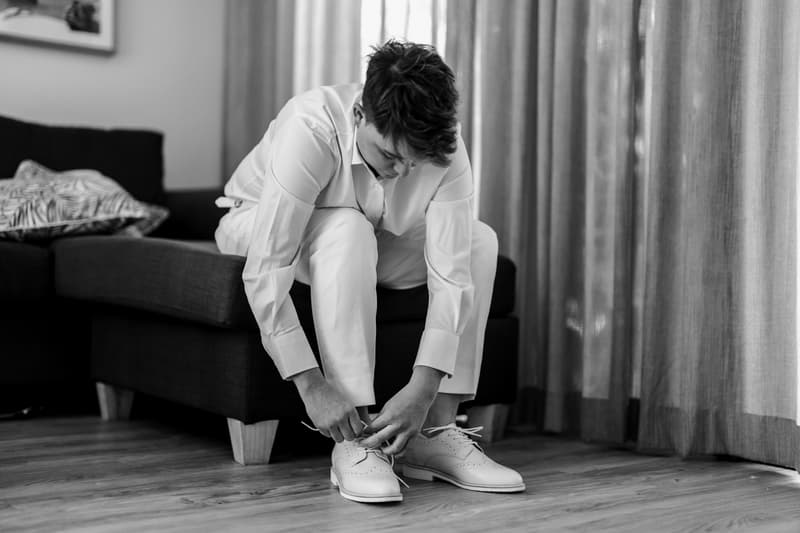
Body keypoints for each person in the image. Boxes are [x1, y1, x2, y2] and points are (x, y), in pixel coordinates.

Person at [215, 40, 524, 503]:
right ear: (360, 114)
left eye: (413, 161)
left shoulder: (444, 144)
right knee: (345, 227)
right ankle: (356, 441)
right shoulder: (310, 127)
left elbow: (452, 272)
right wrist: (311, 384)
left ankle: (435, 434)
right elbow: (267, 271)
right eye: (389, 155)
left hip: (367, 229)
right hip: (256, 221)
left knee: (480, 240)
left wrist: (423, 386)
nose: (401, 172)